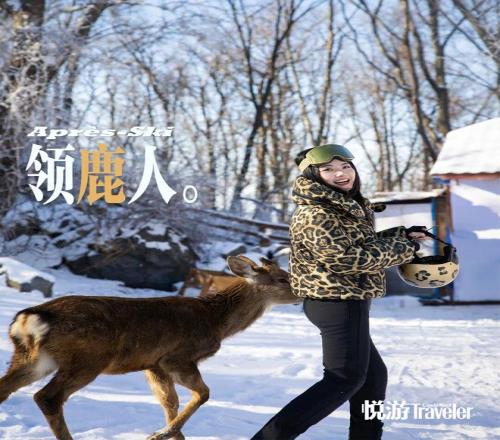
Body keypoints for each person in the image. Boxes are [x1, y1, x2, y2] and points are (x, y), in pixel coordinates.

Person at [251, 144, 428, 440]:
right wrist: (404, 248)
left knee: (372, 379)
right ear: (314, 175)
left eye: (345, 166)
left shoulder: (340, 204)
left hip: (343, 300)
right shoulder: (317, 212)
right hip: (336, 302)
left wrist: (401, 236)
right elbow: (346, 259)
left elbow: (357, 244)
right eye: (329, 169)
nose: (341, 173)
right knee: (343, 379)